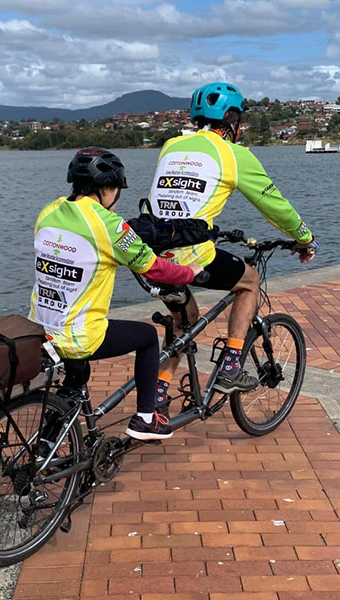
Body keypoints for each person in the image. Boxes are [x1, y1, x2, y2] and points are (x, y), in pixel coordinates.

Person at [148, 82, 317, 406]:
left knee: (185, 322)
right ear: (231, 119)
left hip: (152, 254)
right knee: (249, 281)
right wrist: (304, 238)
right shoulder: (233, 154)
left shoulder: (171, 146)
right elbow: (274, 205)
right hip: (190, 255)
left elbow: (181, 200)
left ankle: (157, 395)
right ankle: (230, 366)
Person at [29, 147, 203, 441]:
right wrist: (190, 272)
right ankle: (146, 419)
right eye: (116, 190)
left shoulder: (49, 211)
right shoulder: (108, 224)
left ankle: (47, 443)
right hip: (79, 335)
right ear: (108, 188)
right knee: (148, 337)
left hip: (41, 329)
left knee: (75, 380)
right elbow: (154, 268)